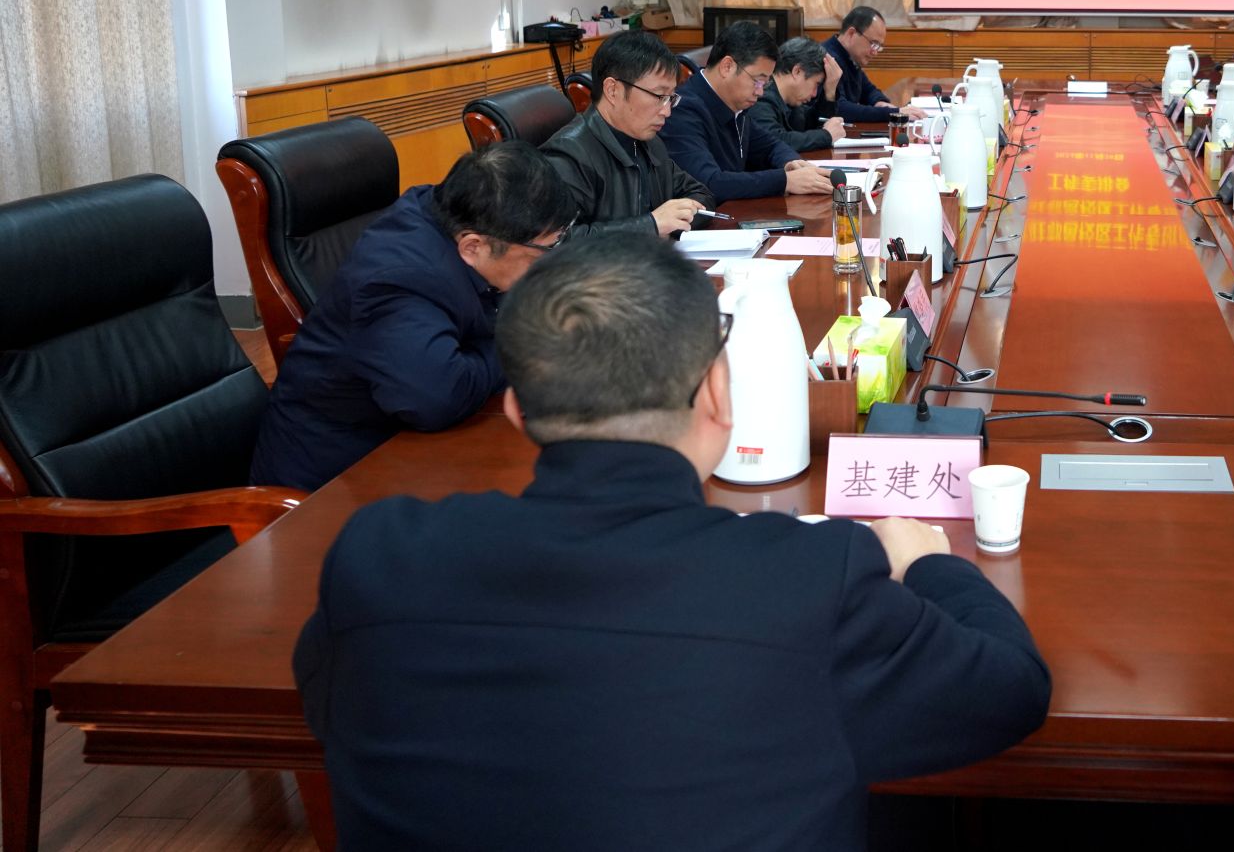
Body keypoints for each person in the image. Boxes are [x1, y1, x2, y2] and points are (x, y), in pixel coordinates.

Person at [294, 232, 1053, 851]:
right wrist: (925, 562)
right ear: (719, 392)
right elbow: (1009, 691)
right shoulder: (806, 581)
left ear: (518, 410)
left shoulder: (377, 557)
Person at [249, 142, 575, 490]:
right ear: (473, 246)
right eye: (544, 251)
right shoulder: (399, 279)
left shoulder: (451, 212)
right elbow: (436, 398)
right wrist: (518, 343)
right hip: (333, 482)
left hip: (413, 449)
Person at [540, 29, 712, 235]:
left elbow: (700, 194)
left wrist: (672, 222)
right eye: (659, 96)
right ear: (613, 90)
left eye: (670, 98)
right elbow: (556, 241)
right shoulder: (568, 156)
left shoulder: (649, 143)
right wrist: (651, 226)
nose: (667, 111)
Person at [659, 21, 834, 201]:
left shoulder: (734, 105)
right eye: (757, 81)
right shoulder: (682, 110)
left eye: (765, 84)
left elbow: (771, 145)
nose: (760, 92)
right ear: (727, 66)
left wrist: (792, 163)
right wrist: (785, 181)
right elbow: (708, 183)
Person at [813, 5, 918, 125]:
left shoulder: (850, 57)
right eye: (873, 43)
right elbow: (840, 109)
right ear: (851, 33)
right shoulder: (828, 58)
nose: (875, 52)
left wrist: (879, 102)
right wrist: (894, 113)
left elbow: (868, 90)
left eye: (878, 46)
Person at [750, 36, 845, 153]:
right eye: (816, 84)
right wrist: (826, 135)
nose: (814, 94)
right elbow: (774, 141)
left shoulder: (792, 102)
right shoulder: (761, 97)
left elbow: (813, 125)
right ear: (797, 71)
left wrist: (830, 92)